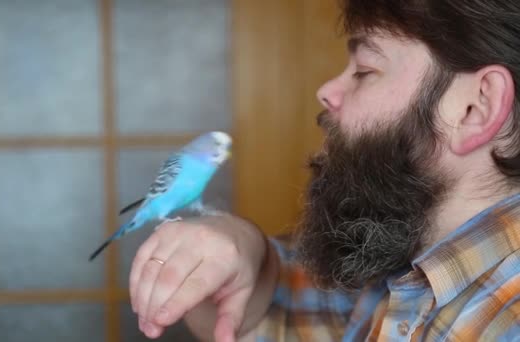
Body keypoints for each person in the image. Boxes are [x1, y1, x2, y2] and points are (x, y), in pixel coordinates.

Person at [128, 0, 520, 340]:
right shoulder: (401, 274)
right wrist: (241, 245)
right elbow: (261, 317)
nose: (327, 90)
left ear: (476, 108)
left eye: (365, 69)